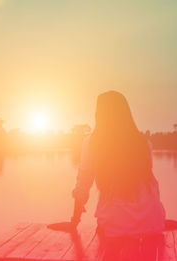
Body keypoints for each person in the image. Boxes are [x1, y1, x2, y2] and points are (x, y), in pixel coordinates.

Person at [48, 91, 165, 240]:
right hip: (153, 224)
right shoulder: (143, 143)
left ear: (100, 115)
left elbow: (83, 184)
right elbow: (150, 185)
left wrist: (74, 221)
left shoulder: (92, 143)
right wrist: (151, 215)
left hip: (115, 227)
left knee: (111, 224)